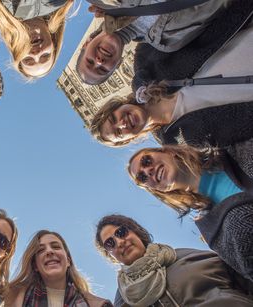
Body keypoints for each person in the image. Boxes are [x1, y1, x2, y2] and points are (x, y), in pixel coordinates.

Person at [88, 15, 253, 147]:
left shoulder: (144, 65)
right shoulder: (175, 141)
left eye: (113, 119)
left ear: (116, 107)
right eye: (118, 133)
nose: (122, 124)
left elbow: (168, 16)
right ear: (127, 140)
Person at [128, 145, 253, 282]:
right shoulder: (210, 228)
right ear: (158, 189)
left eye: (146, 161)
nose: (148, 171)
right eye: (142, 177)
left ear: (168, 152)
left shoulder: (233, 150)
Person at [96, 214, 253, 307]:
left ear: (135, 231)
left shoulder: (187, 256)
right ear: (111, 254)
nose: (120, 242)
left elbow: (243, 277)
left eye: (121, 232)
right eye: (110, 243)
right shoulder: (124, 298)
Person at [76, 0, 230, 85]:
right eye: (102, 70)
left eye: (89, 61)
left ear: (85, 44)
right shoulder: (168, 43)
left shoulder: (105, 3)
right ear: (119, 64)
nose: (99, 61)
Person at [6, 230, 111, 306]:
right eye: (41, 250)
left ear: (68, 261)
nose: (49, 251)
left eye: (56, 247)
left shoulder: (97, 304)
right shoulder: (15, 296)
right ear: (35, 266)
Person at [0, 0, 73, 78]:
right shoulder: (57, 2)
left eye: (28, 59)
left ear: (16, 51)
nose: (37, 54)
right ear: (53, 41)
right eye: (45, 55)